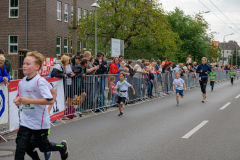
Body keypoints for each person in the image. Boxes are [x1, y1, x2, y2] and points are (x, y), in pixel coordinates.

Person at [13, 51, 69, 160]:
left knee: (44, 147)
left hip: (40, 122)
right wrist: (17, 100)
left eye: (28, 64)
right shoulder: (21, 82)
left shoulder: (40, 81)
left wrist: (44, 107)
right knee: (21, 148)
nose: (24, 66)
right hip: (25, 121)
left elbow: (49, 99)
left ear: (37, 67)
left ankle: (62, 147)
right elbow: (20, 97)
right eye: (24, 63)